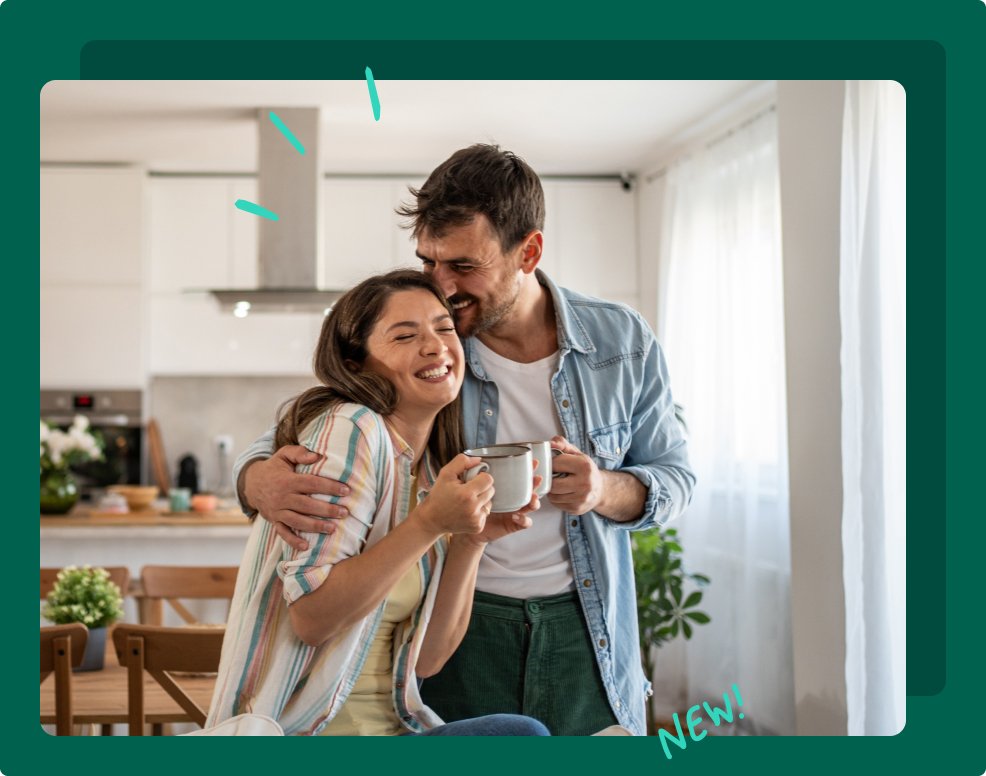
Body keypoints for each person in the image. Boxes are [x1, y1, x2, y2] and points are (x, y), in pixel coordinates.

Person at [234, 145, 695, 736]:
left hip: (587, 626)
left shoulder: (621, 342)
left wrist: (601, 489)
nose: (442, 287)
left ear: (527, 251)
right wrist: (255, 477)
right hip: (455, 626)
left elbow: (676, 479)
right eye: (428, 261)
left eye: (463, 267)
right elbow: (300, 431)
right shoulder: (433, 349)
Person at [207, 269, 549, 737]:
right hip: (308, 735)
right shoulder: (352, 428)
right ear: (357, 363)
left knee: (519, 735)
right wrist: (429, 524)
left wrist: (472, 540)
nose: (435, 346)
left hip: (398, 729)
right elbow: (312, 618)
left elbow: (428, 658)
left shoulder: (430, 468)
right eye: (405, 335)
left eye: (444, 328)